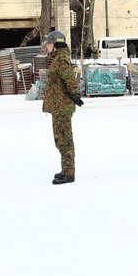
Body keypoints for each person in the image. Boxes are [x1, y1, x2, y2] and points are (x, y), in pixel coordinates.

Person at [41, 30, 82, 185]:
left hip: (62, 106)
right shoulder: (58, 58)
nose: (48, 47)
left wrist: (75, 95)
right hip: (59, 106)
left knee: (64, 140)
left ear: (56, 44)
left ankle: (69, 173)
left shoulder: (61, 59)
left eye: (49, 44)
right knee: (60, 139)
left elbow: (69, 78)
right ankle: (65, 170)